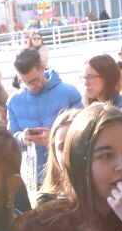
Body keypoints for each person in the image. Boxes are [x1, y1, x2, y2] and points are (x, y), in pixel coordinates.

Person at [8, 46, 84, 192]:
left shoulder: (68, 93)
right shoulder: (14, 101)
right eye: (25, 82)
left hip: (67, 172)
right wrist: (22, 137)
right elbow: (10, 140)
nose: (31, 86)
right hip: (34, 178)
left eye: (34, 80)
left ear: (42, 67)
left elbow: (83, 130)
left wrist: (54, 138)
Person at [81, 53, 122, 122]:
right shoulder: (93, 109)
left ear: (107, 78)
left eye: (91, 77)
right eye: (84, 78)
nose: (85, 83)